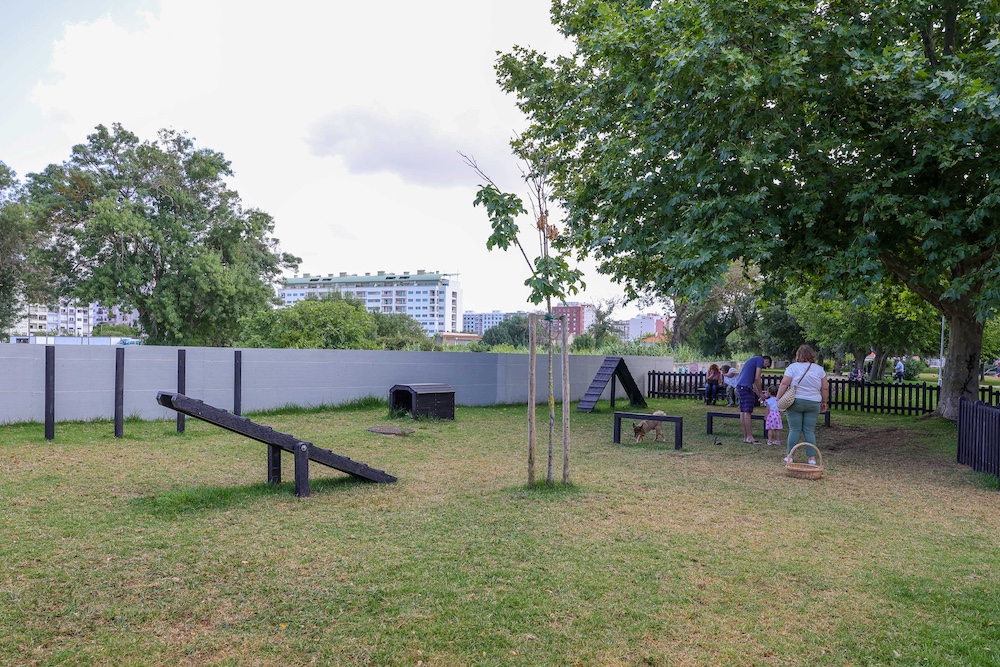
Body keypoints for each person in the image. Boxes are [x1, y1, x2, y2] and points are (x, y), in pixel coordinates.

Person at [776, 345, 829, 466]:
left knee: (794, 430)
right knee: (809, 431)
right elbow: (825, 387)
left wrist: (778, 398)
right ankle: (811, 458)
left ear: (798, 355)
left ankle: (790, 456)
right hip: (813, 402)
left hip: (795, 401)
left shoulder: (792, 368)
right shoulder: (819, 369)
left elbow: (784, 383)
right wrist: (824, 402)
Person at [735, 355, 772, 444]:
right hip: (745, 387)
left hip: (740, 387)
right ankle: (749, 437)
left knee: (743, 411)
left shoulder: (753, 360)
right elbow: (757, 378)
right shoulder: (759, 360)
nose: (765, 367)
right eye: (767, 365)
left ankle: (746, 437)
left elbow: (754, 382)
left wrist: (760, 395)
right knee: (747, 412)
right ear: (766, 360)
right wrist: (761, 393)